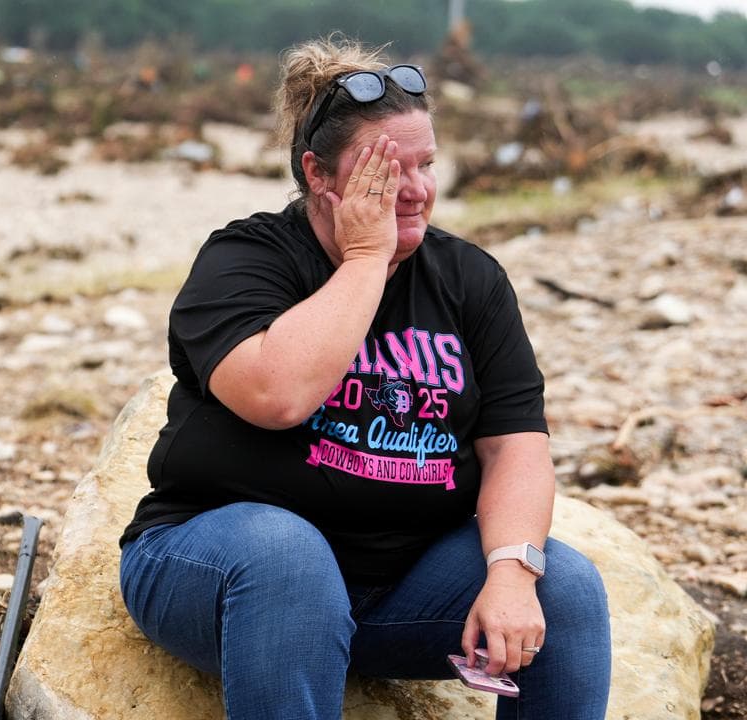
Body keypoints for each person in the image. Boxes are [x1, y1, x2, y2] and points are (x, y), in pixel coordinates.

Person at [118, 37, 611, 720]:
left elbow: (516, 446)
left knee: (568, 589)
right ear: (319, 174)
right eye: (385, 171)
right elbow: (277, 395)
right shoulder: (246, 258)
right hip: (222, 572)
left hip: (398, 592)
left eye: (427, 164)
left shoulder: (470, 280)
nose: (415, 190)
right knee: (289, 559)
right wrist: (367, 258)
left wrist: (510, 571)